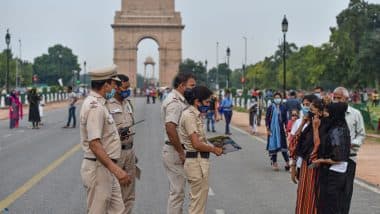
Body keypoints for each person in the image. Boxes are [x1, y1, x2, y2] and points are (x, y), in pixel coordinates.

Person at [80, 66, 131, 214]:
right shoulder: (95, 106)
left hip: (106, 168)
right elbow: (94, 144)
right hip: (99, 168)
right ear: (106, 84)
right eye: (114, 84)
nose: (115, 88)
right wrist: (116, 170)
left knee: (118, 210)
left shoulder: (101, 104)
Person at [179, 86, 223, 214]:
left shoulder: (196, 115)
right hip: (195, 162)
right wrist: (214, 149)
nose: (208, 105)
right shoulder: (189, 116)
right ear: (197, 101)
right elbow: (196, 144)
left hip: (199, 161)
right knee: (197, 205)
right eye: (207, 102)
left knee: (199, 203)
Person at [161, 72, 196, 214]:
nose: (194, 88)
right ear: (182, 85)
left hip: (176, 149)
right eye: (192, 85)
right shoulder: (175, 102)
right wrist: (181, 152)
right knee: (177, 192)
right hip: (175, 151)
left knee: (178, 191)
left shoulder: (181, 100)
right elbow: (170, 127)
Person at [313, 102, 351, 214]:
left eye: (327, 111)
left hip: (334, 173)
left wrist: (321, 160)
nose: (324, 114)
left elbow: (337, 157)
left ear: (334, 113)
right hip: (339, 172)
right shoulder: (341, 126)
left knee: (330, 206)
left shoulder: (337, 131)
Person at [332, 86, 365, 214]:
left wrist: (351, 143)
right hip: (331, 159)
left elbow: (361, 134)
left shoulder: (355, 114)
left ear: (347, 99)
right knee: (332, 192)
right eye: (334, 98)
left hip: (349, 157)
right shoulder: (329, 113)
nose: (336, 100)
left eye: (339, 98)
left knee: (346, 191)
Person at [107, 74, 136, 214]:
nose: (128, 90)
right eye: (125, 87)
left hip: (129, 152)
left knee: (129, 193)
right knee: (114, 194)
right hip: (115, 153)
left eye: (129, 87)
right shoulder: (106, 105)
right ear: (116, 87)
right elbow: (103, 133)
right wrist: (118, 133)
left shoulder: (128, 103)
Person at [293, 99, 325, 214]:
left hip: (315, 169)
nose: (309, 112)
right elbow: (295, 142)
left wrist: (316, 128)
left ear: (320, 113)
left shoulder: (323, 128)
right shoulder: (308, 127)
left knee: (312, 199)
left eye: (312, 110)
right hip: (305, 167)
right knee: (302, 198)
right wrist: (302, 123)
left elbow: (317, 147)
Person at [265, 92, 290, 171]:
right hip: (272, 130)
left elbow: (286, 119)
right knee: (274, 147)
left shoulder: (283, 107)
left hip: (281, 130)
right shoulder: (270, 108)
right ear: (273, 99)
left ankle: (287, 163)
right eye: (276, 97)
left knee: (283, 147)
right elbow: (267, 119)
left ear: (281, 98)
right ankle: (274, 163)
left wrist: (287, 128)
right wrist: (268, 129)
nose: (277, 99)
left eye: (278, 97)